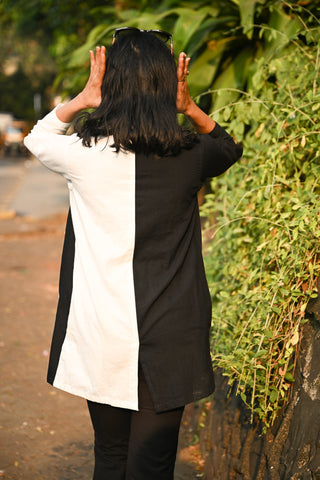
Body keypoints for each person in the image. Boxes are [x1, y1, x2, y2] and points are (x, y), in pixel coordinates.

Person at [24, 28, 243, 480]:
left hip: (102, 331)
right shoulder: (191, 155)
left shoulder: (81, 155)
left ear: (110, 85)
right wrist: (188, 107)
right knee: (154, 466)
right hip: (173, 334)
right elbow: (228, 147)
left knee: (110, 457)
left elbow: (37, 138)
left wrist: (83, 98)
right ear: (168, 83)